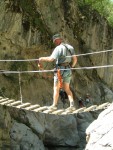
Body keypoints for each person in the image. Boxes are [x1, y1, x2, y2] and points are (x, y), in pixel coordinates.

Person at [38, 33, 77, 110]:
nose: (55, 43)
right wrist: (71, 67)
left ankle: (54, 105)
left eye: (55, 41)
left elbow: (51, 59)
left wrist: (41, 59)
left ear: (58, 40)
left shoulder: (58, 48)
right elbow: (75, 59)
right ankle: (72, 105)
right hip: (68, 69)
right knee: (67, 88)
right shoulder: (70, 47)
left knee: (56, 88)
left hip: (59, 70)